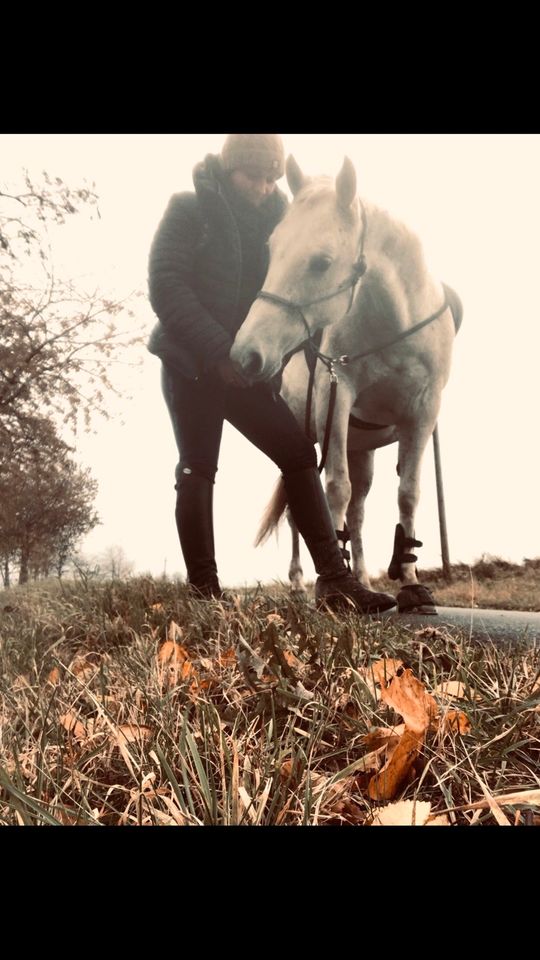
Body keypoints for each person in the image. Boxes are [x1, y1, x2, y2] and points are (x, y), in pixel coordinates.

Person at [147, 134, 396, 614]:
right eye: (253, 175)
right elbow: (167, 286)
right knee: (198, 466)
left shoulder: (283, 216)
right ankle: (205, 595)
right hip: (191, 365)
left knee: (298, 451)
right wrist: (219, 351)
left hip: (247, 368)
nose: (263, 186)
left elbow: (294, 285)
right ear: (228, 168)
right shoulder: (188, 208)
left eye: (270, 177)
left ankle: (336, 582)